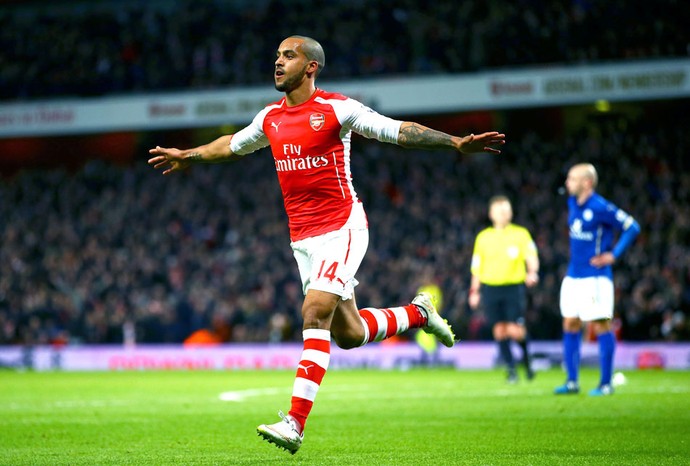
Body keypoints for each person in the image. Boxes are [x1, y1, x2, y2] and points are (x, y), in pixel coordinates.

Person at [148, 35, 505, 454]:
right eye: (277, 54)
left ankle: (294, 424)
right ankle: (418, 312)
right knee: (350, 334)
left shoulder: (338, 109)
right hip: (302, 240)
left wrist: (454, 142)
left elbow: (396, 131)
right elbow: (231, 145)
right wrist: (187, 155)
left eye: (288, 55)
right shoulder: (270, 119)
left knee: (313, 311)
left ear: (311, 66)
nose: (277, 62)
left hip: (343, 227)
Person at [554, 163, 640, 396]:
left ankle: (605, 383)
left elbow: (632, 227)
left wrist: (613, 255)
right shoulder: (572, 202)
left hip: (596, 278)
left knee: (600, 325)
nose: (567, 183)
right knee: (570, 323)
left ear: (587, 182)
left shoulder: (600, 206)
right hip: (573, 275)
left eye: (572, 179)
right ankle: (572, 381)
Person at [468, 195, 539, 383]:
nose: (504, 214)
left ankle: (526, 360)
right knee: (499, 330)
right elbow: (477, 268)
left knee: (515, 330)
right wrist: (474, 292)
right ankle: (511, 369)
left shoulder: (521, 234)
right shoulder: (483, 237)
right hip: (490, 289)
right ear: (491, 214)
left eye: (506, 211)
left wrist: (532, 272)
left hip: (513, 288)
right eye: (500, 211)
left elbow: (531, 256)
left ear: (511, 213)